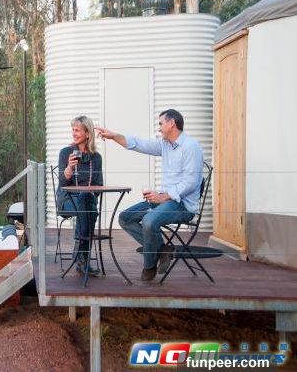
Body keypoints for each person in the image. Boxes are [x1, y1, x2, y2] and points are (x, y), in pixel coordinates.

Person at [95, 109, 203, 281]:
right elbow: (138, 143)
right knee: (125, 218)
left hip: (182, 205)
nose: (158, 128)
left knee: (148, 221)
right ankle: (162, 250)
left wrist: (163, 196)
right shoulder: (165, 145)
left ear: (172, 123)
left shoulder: (191, 146)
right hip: (164, 200)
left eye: (161, 123)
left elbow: (190, 183)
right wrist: (114, 136)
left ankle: (149, 266)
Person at [57, 115, 103, 275]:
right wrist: (69, 168)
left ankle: (80, 258)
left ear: (87, 133)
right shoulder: (66, 153)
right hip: (67, 200)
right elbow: (62, 182)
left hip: (86, 201)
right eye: (73, 130)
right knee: (90, 211)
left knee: (86, 202)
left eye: (77, 130)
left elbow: (99, 185)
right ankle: (83, 260)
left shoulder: (96, 158)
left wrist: (89, 194)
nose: (73, 133)